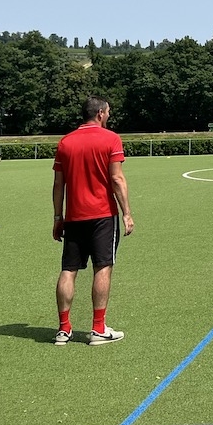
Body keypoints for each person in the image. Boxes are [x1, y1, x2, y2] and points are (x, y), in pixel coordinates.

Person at [52, 96, 134, 346]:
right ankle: (98, 329)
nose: (109, 115)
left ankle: (63, 329)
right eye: (108, 112)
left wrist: (58, 217)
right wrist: (127, 212)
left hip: (74, 217)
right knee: (103, 267)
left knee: (69, 270)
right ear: (100, 113)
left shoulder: (66, 142)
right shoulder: (111, 139)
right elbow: (117, 179)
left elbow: (58, 185)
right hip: (102, 216)